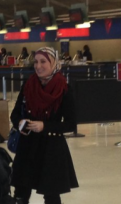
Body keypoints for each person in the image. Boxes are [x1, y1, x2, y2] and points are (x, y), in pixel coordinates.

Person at [10, 47, 79, 204]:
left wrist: (44, 126)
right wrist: (19, 122)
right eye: (36, 62)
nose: (38, 66)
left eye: (43, 62)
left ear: (54, 63)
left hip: (51, 148)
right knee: (20, 192)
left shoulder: (64, 89)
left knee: (51, 194)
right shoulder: (28, 86)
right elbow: (14, 114)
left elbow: (70, 124)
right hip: (27, 146)